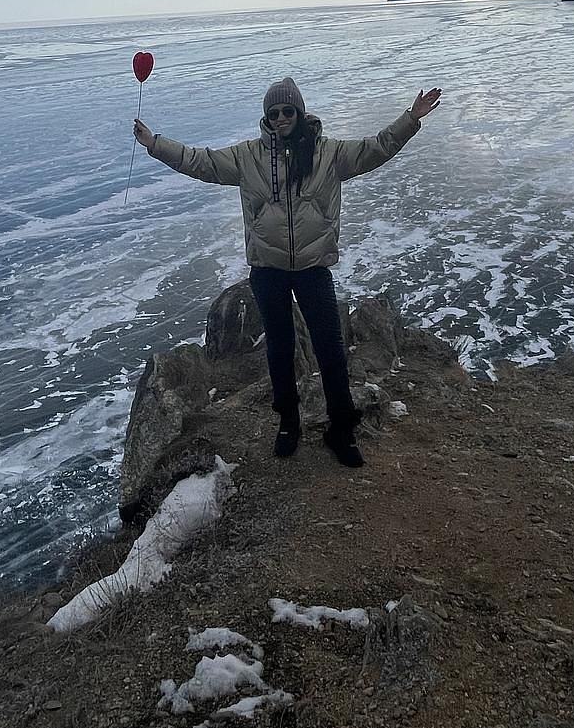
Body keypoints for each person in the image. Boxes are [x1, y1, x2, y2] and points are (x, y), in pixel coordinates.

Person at [134, 76, 442, 467]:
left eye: (287, 111)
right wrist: (155, 144)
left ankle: (341, 428)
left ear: (299, 112)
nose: (280, 118)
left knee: (330, 351)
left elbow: (375, 148)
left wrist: (410, 118)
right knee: (280, 352)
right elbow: (201, 161)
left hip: (313, 269)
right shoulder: (248, 157)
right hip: (268, 271)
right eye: (273, 112)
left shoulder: (327, 153)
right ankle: (288, 423)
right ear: (266, 117)